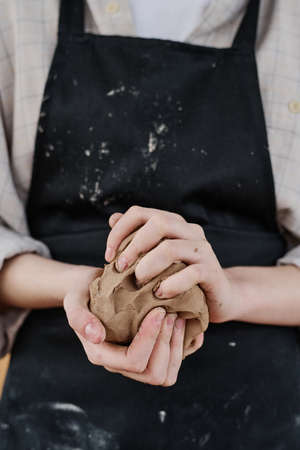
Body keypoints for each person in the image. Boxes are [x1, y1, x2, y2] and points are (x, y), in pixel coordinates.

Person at [0, 0, 300, 448]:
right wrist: (87, 290)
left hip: (258, 413)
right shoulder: (16, 13)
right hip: (54, 416)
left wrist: (233, 292)